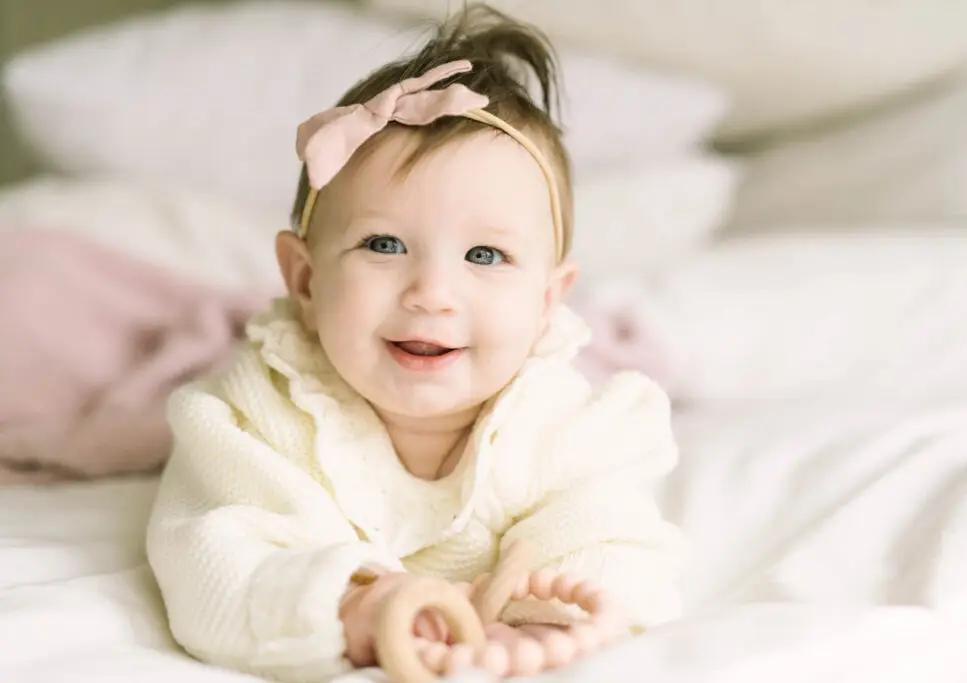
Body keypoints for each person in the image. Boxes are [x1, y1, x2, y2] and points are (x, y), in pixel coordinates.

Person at [146, 5, 685, 681]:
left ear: (548, 301)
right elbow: (209, 554)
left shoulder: (565, 422)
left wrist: (548, 614)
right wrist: (347, 604)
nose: (432, 291)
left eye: (485, 254)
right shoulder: (261, 409)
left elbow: (615, 536)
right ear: (305, 281)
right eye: (384, 244)